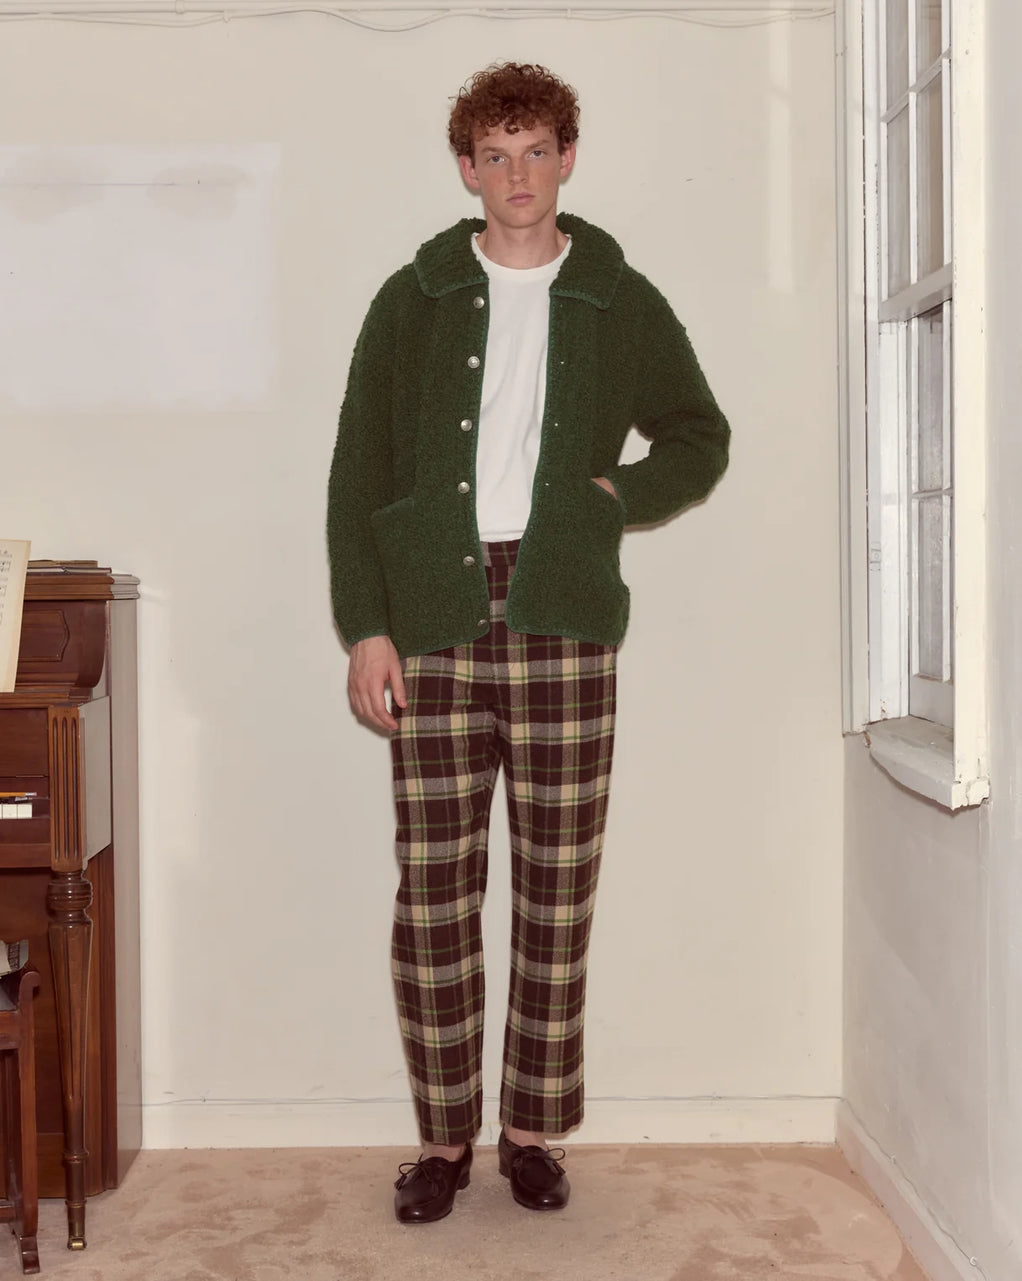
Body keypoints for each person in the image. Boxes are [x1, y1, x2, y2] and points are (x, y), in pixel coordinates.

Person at [327, 61, 729, 1224]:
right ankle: (444, 1141)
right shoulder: (412, 299)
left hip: (561, 614)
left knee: (556, 889)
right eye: (493, 155)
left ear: (566, 158)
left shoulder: (614, 293)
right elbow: (357, 471)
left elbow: (699, 436)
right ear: (466, 167)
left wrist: (612, 496)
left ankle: (532, 1132)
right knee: (436, 893)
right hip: (437, 616)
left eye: (535, 150)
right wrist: (367, 627)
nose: (515, 174)